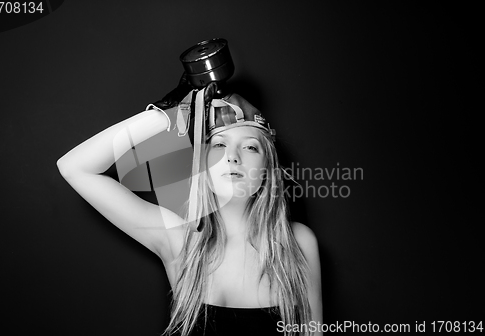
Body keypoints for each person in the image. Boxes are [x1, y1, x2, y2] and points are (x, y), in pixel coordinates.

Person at [56, 76, 322, 336]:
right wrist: (170, 113)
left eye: (251, 147)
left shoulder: (297, 242)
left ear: (267, 168)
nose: (233, 157)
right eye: (218, 145)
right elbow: (74, 168)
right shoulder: (180, 241)